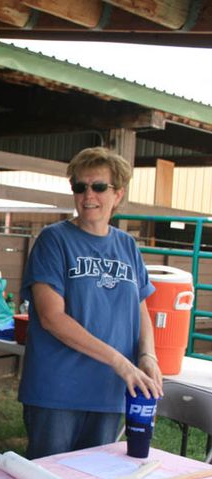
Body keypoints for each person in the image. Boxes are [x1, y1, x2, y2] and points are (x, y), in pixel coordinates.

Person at [18, 147, 163, 460]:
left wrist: (147, 354)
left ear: (118, 194)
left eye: (98, 187)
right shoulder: (53, 240)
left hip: (109, 391)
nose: (88, 196)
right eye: (79, 187)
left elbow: (140, 308)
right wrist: (120, 361)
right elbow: (51, 317)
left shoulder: (127, 245)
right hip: (57, 390)